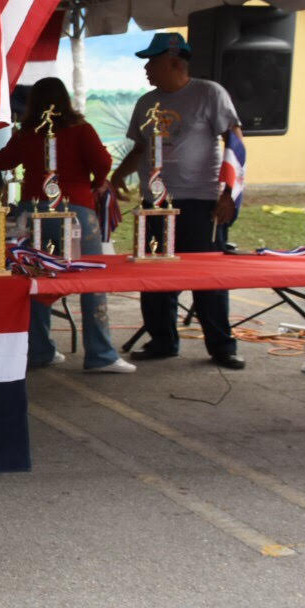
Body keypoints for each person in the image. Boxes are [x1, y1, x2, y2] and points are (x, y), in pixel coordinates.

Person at [110, 31, 245, 370]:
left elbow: (235, 141)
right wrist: (116, 177)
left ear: (173, 62)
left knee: (208, 277)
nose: (146, 69)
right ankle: (162, 340)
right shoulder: (146, 102)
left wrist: (230, 193)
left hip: (199, 200)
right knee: (154, 275)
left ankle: (221, 346)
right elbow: (139, 148)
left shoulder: (208, 93)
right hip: (154, 202)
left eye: (152, 62)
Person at [0, 77, 133, 373]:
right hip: (76, 211)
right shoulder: (81, 130)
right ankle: (101, 355)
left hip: (32, 212)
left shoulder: (26, 133)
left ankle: (39, 351)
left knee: (37, 279)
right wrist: (95, 182)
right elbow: (103, 164)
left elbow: (3, 162)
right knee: (92, 281)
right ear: (66, 100)